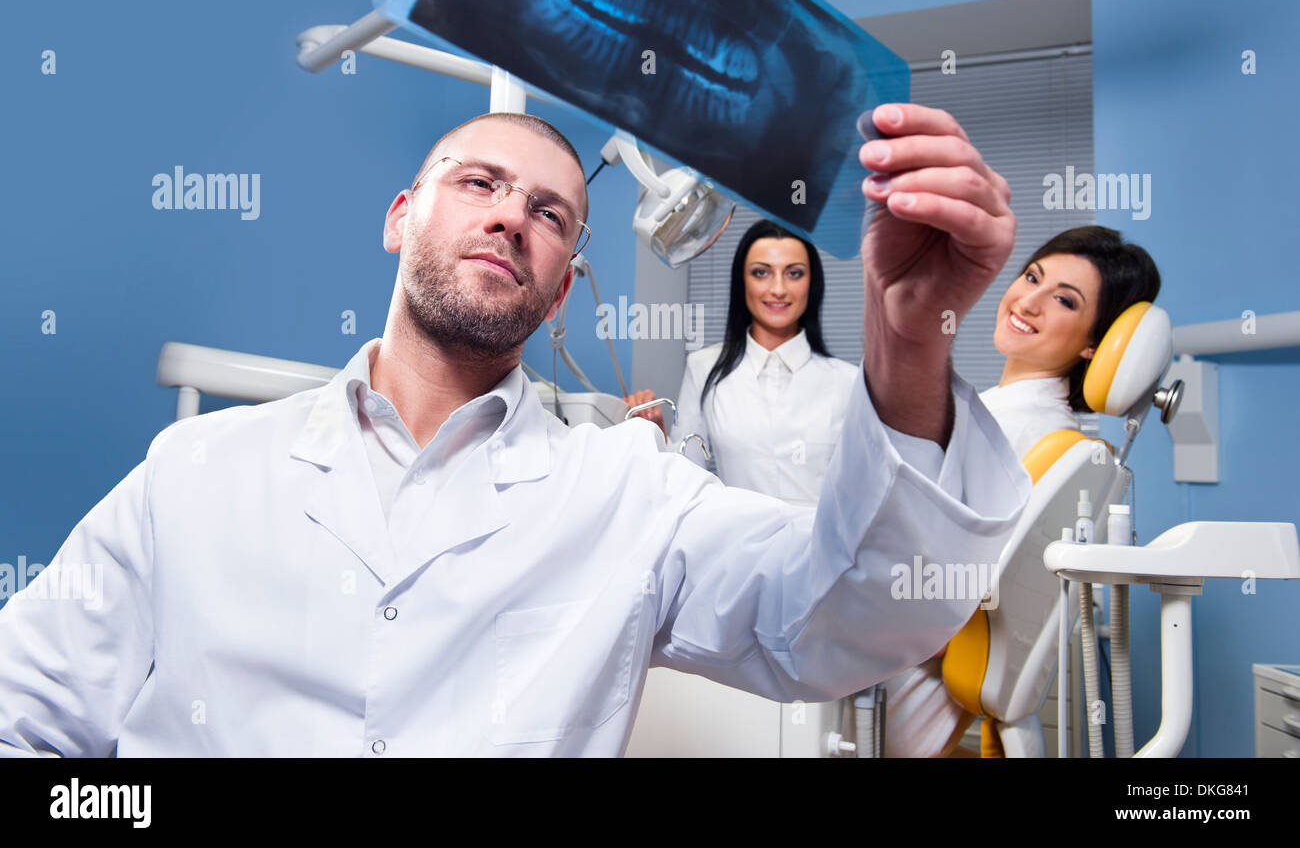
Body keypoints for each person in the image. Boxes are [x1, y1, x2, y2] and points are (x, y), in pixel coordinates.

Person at [0, 105, 1027, 757]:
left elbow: (843, 622)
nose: (508, 217)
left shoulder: (631, 492)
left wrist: (908, 336)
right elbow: (27, 704)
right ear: (402, 216)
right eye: (478, 184)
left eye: (550, 212)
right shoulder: (199, 468)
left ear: (560, 294)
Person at [882, 225, 1162, 758]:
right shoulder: (1023, 418)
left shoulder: (1016, 430)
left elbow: (919, 570)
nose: (1028, 301)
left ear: (1092, 343)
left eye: (1062, 299)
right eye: (1032, 276)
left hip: (892, 671)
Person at [624, 219, 857, 506]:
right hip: (737, 546)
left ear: (812, 283)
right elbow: (685, 476)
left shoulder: (848, 382)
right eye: (761, 273)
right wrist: (656, 432)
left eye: (794, 273)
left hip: (821, 548)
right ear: (742, 281)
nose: (779, 289)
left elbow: (863, 492)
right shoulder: (704, 368)